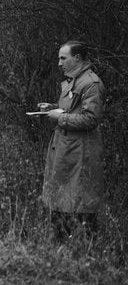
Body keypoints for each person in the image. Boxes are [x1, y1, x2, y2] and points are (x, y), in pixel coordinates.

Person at [36, 40, 105, 241]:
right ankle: (60, 247)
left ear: (77, 58)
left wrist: (60, 118)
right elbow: (73, 111)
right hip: (67, 152)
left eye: (63, 58)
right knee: (61, 201)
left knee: (80, 201)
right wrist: (52, 108)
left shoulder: (91, 83)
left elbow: (91, 119)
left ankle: (83, 250)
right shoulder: (73, 80)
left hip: (81, 153)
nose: (59, 63)